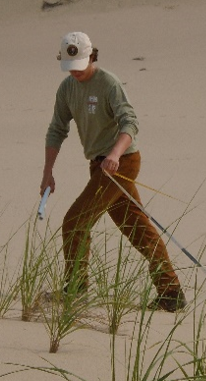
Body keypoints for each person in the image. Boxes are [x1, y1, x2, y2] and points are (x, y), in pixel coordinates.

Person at [41, 31, 184, 312]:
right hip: (98, 165)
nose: (76, 72)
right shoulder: (67, 89)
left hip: (122, 161)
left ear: (92, 56)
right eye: (71, 67)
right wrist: (48, 172)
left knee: (75, 220)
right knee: (136, 227)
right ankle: (171, 293)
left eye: (81, 64)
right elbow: (57, 129)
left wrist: (115, 154)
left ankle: (76, 289)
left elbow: (129, 122)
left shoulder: (108, 83)